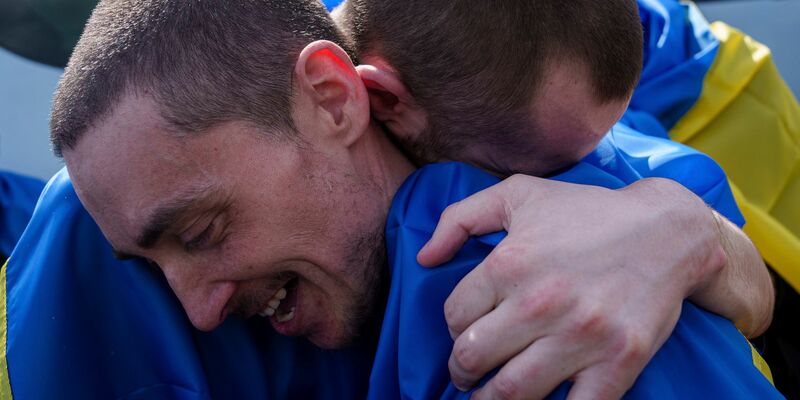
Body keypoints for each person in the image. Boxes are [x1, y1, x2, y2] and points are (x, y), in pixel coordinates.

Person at [38, 0, 779, 398]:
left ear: (338, 101)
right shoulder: (133, 175)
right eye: (149, 259)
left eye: (203, 233)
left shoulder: (565, 276)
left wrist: (683, 228)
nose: (195, 310)